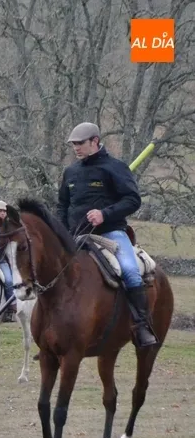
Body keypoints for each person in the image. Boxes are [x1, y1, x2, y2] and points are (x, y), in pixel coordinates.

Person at [57, 121, 157, 347]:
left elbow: (133, 200)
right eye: (73, 144)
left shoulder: (115, 167)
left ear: (95, 141)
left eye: (80, 143)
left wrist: (104, 214)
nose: (76, 148)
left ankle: (142, 326)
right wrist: (62, 234)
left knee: (130, 271)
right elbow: (62, 206)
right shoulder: (70, 172)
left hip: (111, 234)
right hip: (76, 237)